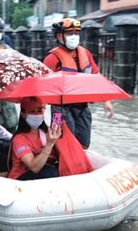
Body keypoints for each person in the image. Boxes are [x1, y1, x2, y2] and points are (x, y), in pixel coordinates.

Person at [43, 18, 114, 149]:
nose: (74, 37)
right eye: (70, 33)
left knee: (84, 143)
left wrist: (106, 100)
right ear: (59, 36)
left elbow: (96, 77)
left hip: (82, 107)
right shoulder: (52, 59)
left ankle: (80, 162)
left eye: (77, 33)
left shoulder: (85, 54)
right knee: (61, 141)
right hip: (59, 110)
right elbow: (41, 87)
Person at [8, 97, 62, 180]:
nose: (37, 115)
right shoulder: (19, 139)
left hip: (43, 172)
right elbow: (34, 167)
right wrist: (49, 145)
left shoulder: (47, 131)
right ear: (23, 114)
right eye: (32, 111)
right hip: (20, 179)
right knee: (50, 172)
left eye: (39, 110)